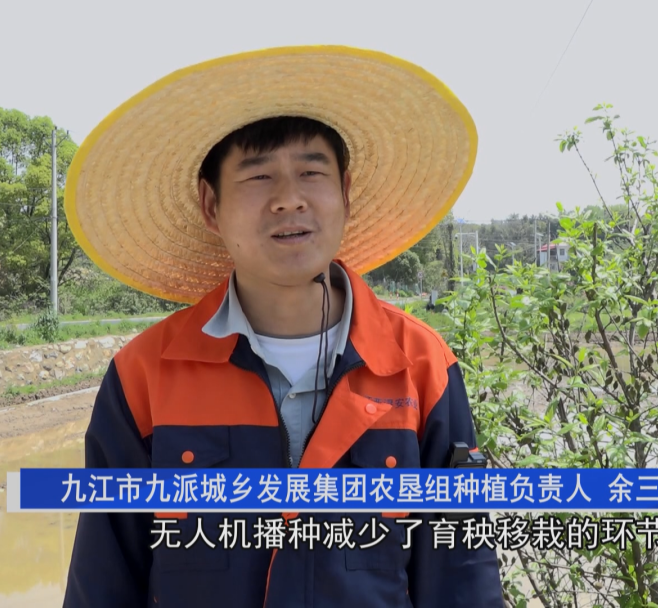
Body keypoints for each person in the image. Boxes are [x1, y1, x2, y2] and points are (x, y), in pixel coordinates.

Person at [61, 46, 503, 607]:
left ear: (345, 193)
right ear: (210, 205)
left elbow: (462, 575)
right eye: (258, 175)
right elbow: (103, 580)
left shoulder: (421, 367)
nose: (288, 199)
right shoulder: (144, 376)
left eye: (311, 172)